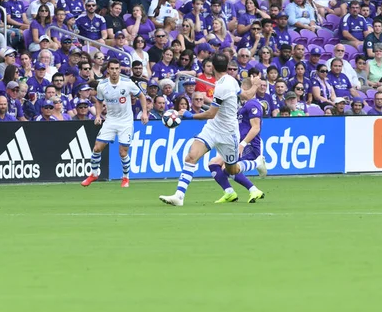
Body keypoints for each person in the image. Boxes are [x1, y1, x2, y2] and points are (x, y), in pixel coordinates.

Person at [159, 54, 266, 207]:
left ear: (213, 68)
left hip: (228, 133)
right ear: (227, 66)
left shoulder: (222, 86)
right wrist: (255, 84)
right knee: (191, 157)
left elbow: (210, 113)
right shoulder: (232, 80)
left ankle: (256, 162)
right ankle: (179, 196)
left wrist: (190, 116)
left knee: (232, 170)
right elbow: (247, 95)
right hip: (213, 128)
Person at [82, 59, 148, 188]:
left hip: (126, 122)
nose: (114, 71)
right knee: (97, 148)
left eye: (117, 68)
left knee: (123, 152)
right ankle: (94, 174)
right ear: (108, 70)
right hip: (110, 120)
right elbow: (99, 101)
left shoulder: (127, 83)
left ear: (119, 70)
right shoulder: (102, 85)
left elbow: (141, 96)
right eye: (112, 68)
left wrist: (144, 112)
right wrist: (97, 115)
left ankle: (125, 178)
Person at [210, 77, 265, 203]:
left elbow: (256, 128)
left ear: (245, 88)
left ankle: (256, 173)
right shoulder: (244, 106)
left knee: (227, 168)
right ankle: (229, 193)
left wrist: (243, 144)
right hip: (236, 144)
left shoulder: (253, 104)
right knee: (213, 163)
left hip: (249, 145)